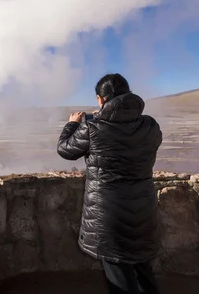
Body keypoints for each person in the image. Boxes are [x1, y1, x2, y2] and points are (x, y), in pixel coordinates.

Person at [57, 73, 162, 294]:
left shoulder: (93, 128)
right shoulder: (151, 125)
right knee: (143, 269)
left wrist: (72, 125)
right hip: (144, 210)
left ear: (100, 99)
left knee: (120, 279)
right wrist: (107, 117)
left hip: (109, 216)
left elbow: (65, 149)